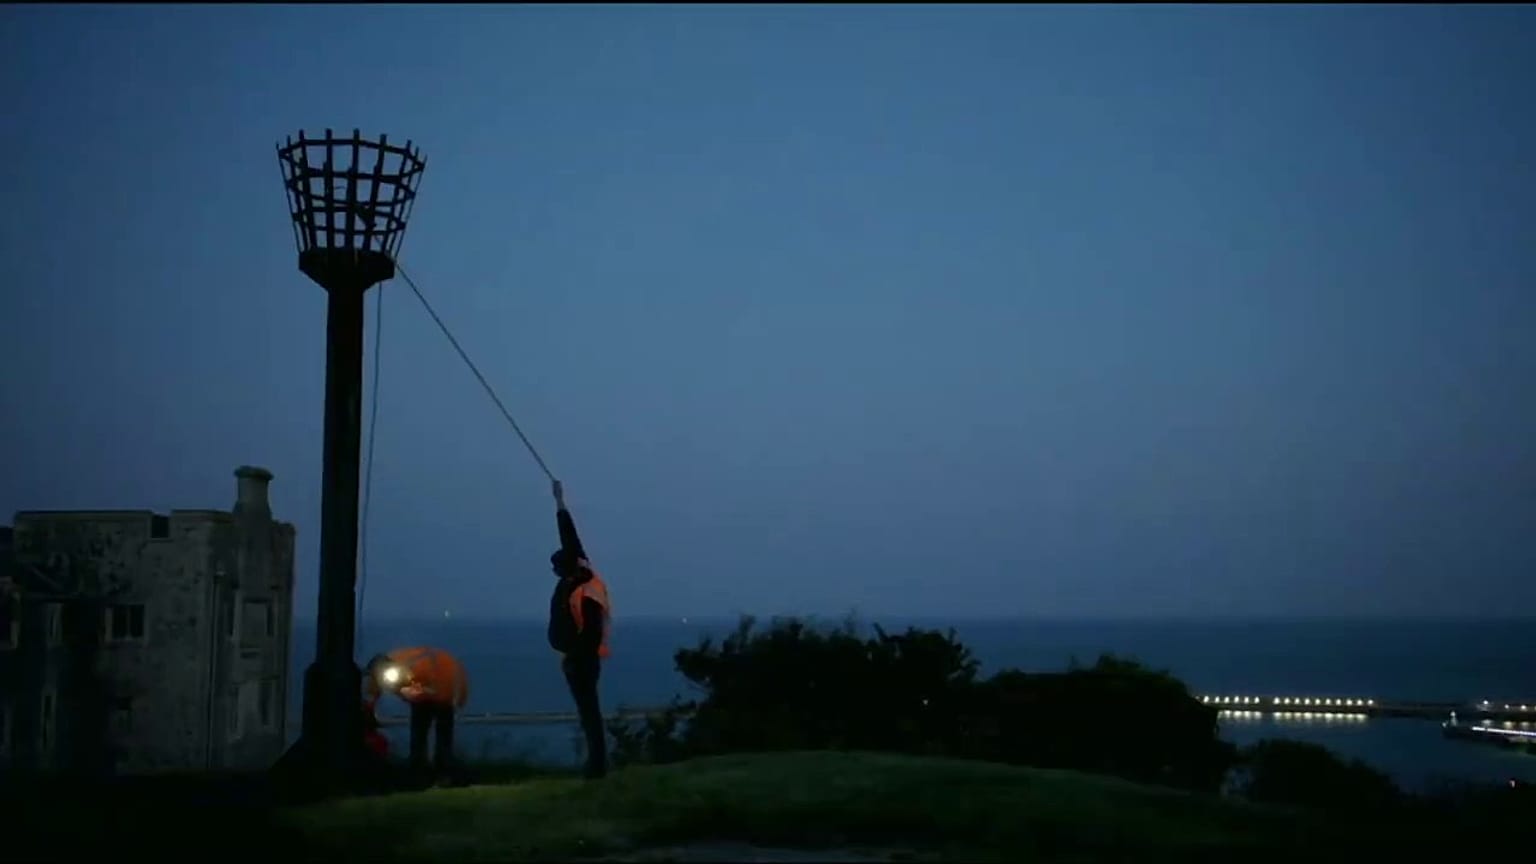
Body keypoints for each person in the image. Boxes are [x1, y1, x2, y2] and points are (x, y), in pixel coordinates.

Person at [547, 479, 612, 779]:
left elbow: (592, 632)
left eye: (558, 567)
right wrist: (559, 502)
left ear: (568, 567)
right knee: (586, 710)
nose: (554, 571)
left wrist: (575, 660)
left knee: (589, 712)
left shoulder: (588, 589)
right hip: (574, 658)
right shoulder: (577, 572)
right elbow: (569, 537)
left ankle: (597, 765)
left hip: (583, 660)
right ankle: (595, 763)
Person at [364, 646, 469, 782]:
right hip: (430, 686)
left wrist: (417, 692)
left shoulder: (418, 667)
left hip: (444, 686)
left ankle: (443, 769)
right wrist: (368, 710)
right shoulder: (385, 670)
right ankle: (419, 769)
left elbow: (432, 692)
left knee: (441, 730)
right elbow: (374, 690)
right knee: (419, 731)